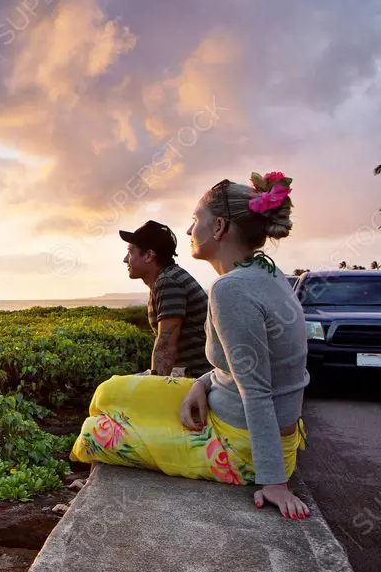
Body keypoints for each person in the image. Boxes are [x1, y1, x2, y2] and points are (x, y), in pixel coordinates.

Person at [72, 172, 311, 519]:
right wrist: (203, 383)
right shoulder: (266, 271)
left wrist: (273, 482)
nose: (188, 231)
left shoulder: (231, 290)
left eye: (195, 220)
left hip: (238, 445)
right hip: (226, 408)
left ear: (218, 228)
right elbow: (243, 364)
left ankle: (84, 480)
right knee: (108, 392)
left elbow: (259, 389)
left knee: (95, 433)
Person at [120, 220, 211, 377]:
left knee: (113, 392)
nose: (125, 259)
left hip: (197, 375)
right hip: (188, 371)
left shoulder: (168, 281)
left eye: (131, 252)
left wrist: (156, 389)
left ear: (149, 255)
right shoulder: (166, 278)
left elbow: (166, 345)